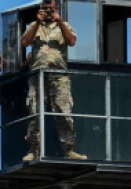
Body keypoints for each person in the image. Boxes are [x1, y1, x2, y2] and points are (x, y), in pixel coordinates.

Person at [20, 0, 87, 161]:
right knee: (35, 112)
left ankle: (69, 149)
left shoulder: (64, 26)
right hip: (38, 75)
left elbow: (71, 41)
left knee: (63, 111)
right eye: (45, 9)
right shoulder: (34, 26)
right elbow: (24, 42)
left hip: (59, 76)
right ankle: (33, 149)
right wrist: (37, 21)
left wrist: (59, 22)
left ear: (57, 10)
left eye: (51, 9)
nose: (48, 12)